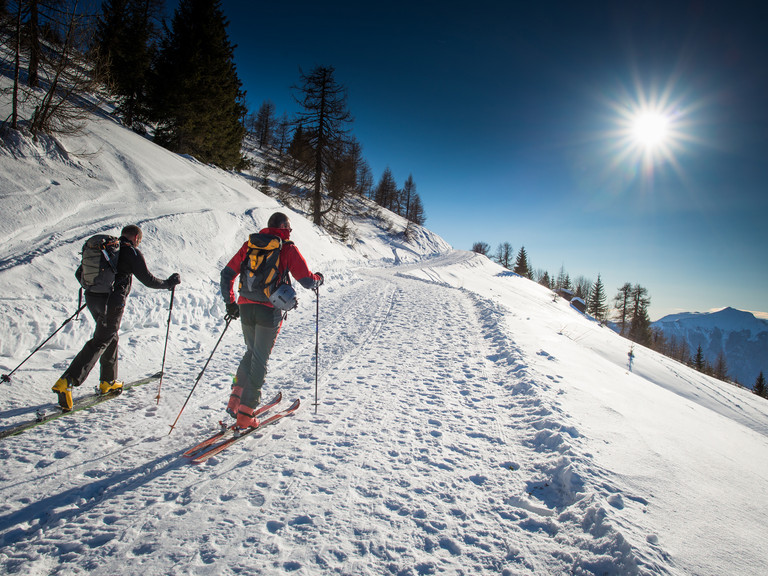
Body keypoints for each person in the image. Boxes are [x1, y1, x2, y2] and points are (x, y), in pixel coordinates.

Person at [52, 225, 180, 411]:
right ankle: (68, 380)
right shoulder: (130, 252)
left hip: (92, 297)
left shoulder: (107, 249)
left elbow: (79, 273)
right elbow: (148, 280)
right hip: (111, 302)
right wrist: (169, 283)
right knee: (102, 339)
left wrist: (95, 290)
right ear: (136, 237)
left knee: (110, 335)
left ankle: (108, 381)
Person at [220, 212, 323, 429]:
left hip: (245, 306)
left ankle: (235, 399)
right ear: (284, 227)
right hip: (269, 310)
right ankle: (246, 414)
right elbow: (305, 280)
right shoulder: (286, 247)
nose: (291, 231)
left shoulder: (250, 245)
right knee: (260, 359)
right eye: (289, 227)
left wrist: (231, 303)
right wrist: (318, 279)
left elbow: (227, 274)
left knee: (250, 352)